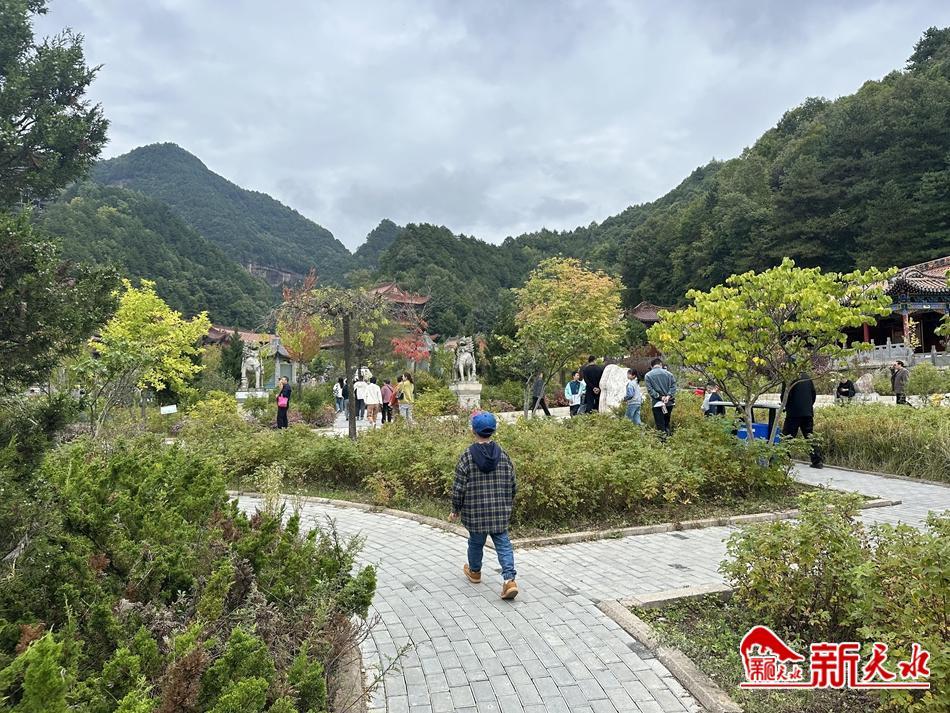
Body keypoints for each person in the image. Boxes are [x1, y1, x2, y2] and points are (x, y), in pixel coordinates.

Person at [448, 411, 519, 600]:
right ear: (493, 431)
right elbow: (513, 484)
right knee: (503, 544)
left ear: (474, 430)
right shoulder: (503, 455)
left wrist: (455, 509)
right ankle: (509, 580)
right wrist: (508, 502)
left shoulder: (467, 457)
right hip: (499, 512)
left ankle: (475, 572)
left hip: (475, 512)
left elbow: (459, 487)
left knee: (476, 542)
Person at [644, 358, 676, 436]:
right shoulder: (669, 374)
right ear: (661, 364)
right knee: (666, 422)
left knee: (660, 425)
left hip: (657, 403)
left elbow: (650, 390)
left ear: (652, 366)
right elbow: (673, 387)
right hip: (669, 403)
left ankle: (662, 443)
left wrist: (660, 397)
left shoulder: (648, 375)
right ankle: (669, 440)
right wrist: (668, 396)